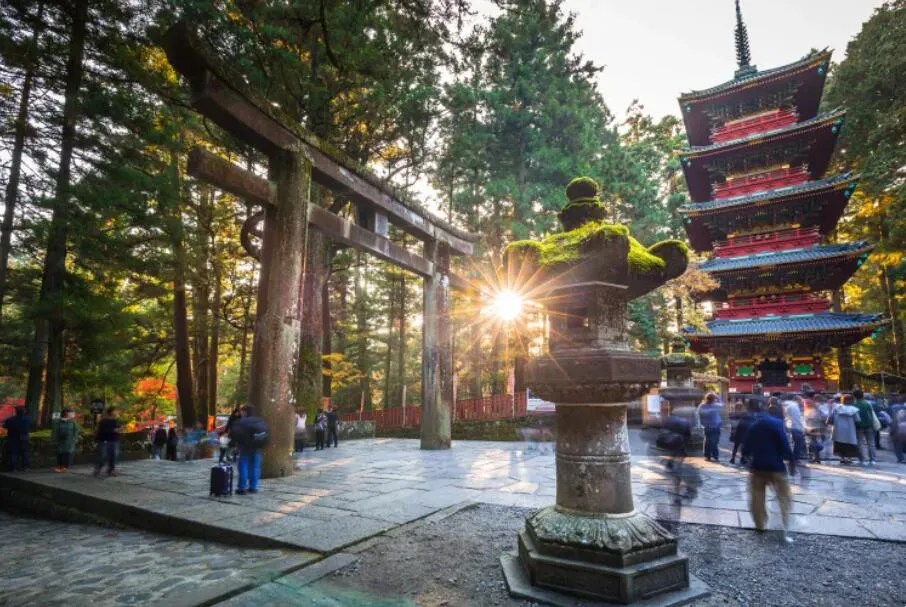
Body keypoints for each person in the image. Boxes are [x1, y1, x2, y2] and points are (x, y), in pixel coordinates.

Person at [741, 404, 795, 544]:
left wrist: (746, 455)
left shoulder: (755, 424)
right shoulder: (777, 423)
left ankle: (760, 525)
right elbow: (784, 443)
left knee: (757, 498)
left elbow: (747, 445)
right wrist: (790, 458)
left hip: (757, 466)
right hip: (776, 466)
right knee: (784, 497)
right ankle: (784, 526)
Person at [230, 405, 268, 495]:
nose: (241, 413)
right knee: (255, 467)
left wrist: (234, 445)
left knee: (243, 466)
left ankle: (242, 488)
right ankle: (253, 487)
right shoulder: (260, 420)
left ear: (245, 412)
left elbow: (236, 434)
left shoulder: (242, 421)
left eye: (242, 411)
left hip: (245, 447)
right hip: (257, 447)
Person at [829, 397, 861, 465]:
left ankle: (842, 458)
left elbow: (831, 418)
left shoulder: (836, 408)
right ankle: (849, 458)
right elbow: (858, 419)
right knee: (850, 444)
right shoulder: (854, 409)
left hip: (838, 429)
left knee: (839, 444)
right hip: (850, 429)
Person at [94, 406, 121, 477]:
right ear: (111, 412)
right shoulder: (103, 421)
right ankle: (98, 469)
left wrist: (118, 430)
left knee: (113, 455)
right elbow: (101, 430)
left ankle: (111, 470)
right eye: (115, 411)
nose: (117, 412)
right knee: (103, 456)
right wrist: (113, 430)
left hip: (114, 440)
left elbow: (118, 428)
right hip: (104, 440)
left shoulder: (117, 420)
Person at [852, 389, 877, 465]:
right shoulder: (867, 404)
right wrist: (872, 424)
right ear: (862, 395)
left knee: (860, 443)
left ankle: (862, 460)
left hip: (859, 426)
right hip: (869, 425)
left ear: (854, 396)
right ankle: (872, 459)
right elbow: (871, 415)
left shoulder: (854, 405)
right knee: (871, 442)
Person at [3, 406, 31, 472]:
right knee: (25, 452)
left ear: (16, 412)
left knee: (13, 453)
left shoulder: (10, 419)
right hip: (24, 438)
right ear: (24, 412)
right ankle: (26, 467)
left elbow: (5, 425)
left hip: (13, 438)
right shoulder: (28, 419)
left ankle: (13, 468)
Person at [729, 400, 757, 466]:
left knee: (736, 445)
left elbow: (732, 420)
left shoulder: (734, 414)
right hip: (744, 430)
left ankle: (733, 458)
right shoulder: (747, 413)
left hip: (737, 430)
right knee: (743, 445)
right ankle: (742, 459)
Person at [698, 393, 723, 462]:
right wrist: (717, 397)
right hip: (716, 426)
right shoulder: (716, 406)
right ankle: (715, 456)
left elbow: (699, 414)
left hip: (707, 427)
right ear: (713, 399)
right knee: (715, 442)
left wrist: (702, 423)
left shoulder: (702, 406)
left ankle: (707, 456)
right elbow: (722, 403)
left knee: (707, 441)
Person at [783, 396, 805, 462]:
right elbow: (797, 418)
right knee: (798, 443)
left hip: (789, 426)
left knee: (790, 443)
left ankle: (788, 456)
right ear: (796, 400)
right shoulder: (794, 406)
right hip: (796, 427)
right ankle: (795, 458)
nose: (802, 402)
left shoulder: (787, 405)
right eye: (801, 400)